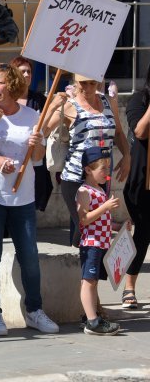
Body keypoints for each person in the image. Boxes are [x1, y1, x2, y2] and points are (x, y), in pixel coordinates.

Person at [0, 63, 59, 336]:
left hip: (22, 198)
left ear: (11, 86)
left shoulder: (32, 115)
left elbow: (36, 161)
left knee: (30, 257)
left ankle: (34, 310)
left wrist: (37, 145)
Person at [45, 73, 130, 248]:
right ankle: (87, 272)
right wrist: (52, 107)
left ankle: (86, 271)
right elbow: (42, 131)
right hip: (76, 177)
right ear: (76, 82)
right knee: (85, 227)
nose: (89, 88)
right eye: (84, 83)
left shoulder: (108, 101)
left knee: (94, 229)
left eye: (93, 83)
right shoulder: (70, 106)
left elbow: (119, 133)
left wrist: (127, 155)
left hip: (101, 177)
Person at [76, 146, 120, 335]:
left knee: (93, 282)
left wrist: (118, 227)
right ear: (88, 170)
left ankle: (91, 316)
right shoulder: (85, 191)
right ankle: (92, 321)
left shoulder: (99, 190)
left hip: (101, 243)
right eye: (103, 168)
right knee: (88, 281)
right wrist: (105, 207)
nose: (106, 173)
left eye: (108, 168)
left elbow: (101, 221)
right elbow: (84, 219)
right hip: (91, 244)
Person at [117, 65, 150, 310]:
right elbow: (140, 131)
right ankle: (129, 286)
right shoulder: (139, 100)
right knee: (144, 233)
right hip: (142, 182)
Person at [10, 55, 53, 212]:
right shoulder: (6, 99)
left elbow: (45, 128)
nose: (27, 75)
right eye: (23, 72)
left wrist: (53, 107)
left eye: (29, 72)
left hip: (33, 161)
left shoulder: (39, 99)